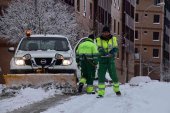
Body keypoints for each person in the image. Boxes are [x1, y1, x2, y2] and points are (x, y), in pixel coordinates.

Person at [96, 26, 121, 98]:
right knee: (101, 76)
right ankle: (101, 92)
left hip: (110, 60)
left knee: (113, 75)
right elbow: (98, 48)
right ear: (102, 32)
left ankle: (117, 90)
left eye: (107, 32)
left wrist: (112, 52)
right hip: (102, 59)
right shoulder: (98, 40)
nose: (105, 34)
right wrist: (103, 53)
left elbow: (116, 48)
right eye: (104, 32)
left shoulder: (113, 39)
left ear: (109, 32)